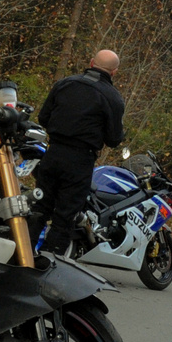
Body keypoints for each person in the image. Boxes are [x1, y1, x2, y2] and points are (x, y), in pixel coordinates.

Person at [27, 50, 125, 257]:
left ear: (90, 62)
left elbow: (44, 118)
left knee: (40, 207)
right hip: (80, 160)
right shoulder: (113, 98)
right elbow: (114, 139)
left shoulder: (65, 84)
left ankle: (21, 252)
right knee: (65, 215)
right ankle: (48, 260)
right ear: (114, 72)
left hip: (52, 154)